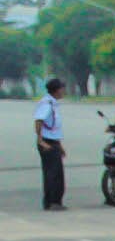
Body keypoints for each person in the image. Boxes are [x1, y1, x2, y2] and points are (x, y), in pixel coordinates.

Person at [34, 78, 66, 211]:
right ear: (57, 90)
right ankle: (54, 202)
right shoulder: (47, 104)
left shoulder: (52, 103)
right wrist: (40, 141)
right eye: (62, 88)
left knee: (51, 173)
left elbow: (53, 128)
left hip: (53, 141)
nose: (64, 91)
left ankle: (50, 202)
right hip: (47, 142)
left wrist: (60, 146)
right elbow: (38, 121)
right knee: (54, 174)